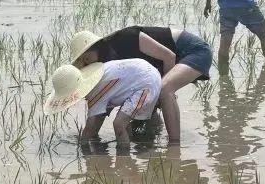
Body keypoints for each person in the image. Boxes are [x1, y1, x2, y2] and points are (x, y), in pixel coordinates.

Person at [69, 26, 212, 145]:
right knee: (147, 96)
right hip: (155, 72)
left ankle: (174, 147)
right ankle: (155, 133)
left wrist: (160, 95)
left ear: (97, 46)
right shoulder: (106, 67)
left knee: (163, 90)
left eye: (87, 58)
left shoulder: (125, 37)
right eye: (83, 62)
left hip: (193, 50)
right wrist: (90, 137)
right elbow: (103, 105)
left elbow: (169, 56)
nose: (87, 64)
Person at [44, 59, 162, 146]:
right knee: (124, 122)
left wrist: (82, 145)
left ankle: (124, 158)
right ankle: (143, 137)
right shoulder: (95, 76)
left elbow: (90, 127)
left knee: (119, 124)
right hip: (146, 72)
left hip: (146, 83)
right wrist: (93, 137)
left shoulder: (95, 90)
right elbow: (98, 118)